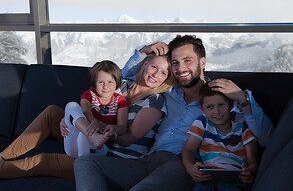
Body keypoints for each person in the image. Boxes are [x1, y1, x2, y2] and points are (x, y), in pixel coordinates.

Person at [74, 35, 274, 191]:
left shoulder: (219, 99)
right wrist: (144, 52)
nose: (180, 68)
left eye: (187, 60)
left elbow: (266, 138)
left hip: (181, 164)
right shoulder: (167, 91)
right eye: (176, 63)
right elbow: (124, 79)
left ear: (202, 62)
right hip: (147, 160)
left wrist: (243, 98)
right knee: (85, 163)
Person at [0, 54, 175, 182]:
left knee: (43, 161)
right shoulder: (122, 85)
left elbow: (127, 138)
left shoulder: (156, 102)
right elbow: (88, 103)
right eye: (154, 67)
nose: (156, 74)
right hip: (89, 141)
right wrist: (72, 121)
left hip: (111, 158)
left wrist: (96, 129)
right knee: (53, 112)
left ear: (167, 78)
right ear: (145, 65)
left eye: (164, 72)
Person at [182, 83, 258, 191]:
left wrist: (249, 171)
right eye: (210, 107)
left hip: (235, 180)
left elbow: (252, 161)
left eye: (221, 105)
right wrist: (190, 168)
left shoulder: (242, 126)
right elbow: (189, 149)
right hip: (207, 178)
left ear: (231, 105)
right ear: (202, 110)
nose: (216, 112)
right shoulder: (202, 123)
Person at [63, 60, 129, 158]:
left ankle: (83, 164)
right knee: (71, 105)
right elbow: (85, 110)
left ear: (117, 83)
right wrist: (93, 122)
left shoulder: (120, 101)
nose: (105, 86)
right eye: (101, 82)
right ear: (94, 82)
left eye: (110, 82)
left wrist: (114, 128)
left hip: (101, 147)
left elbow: (122, 127)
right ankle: (92, 137)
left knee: (84, 134)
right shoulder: (89, 94)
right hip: (73, 145)